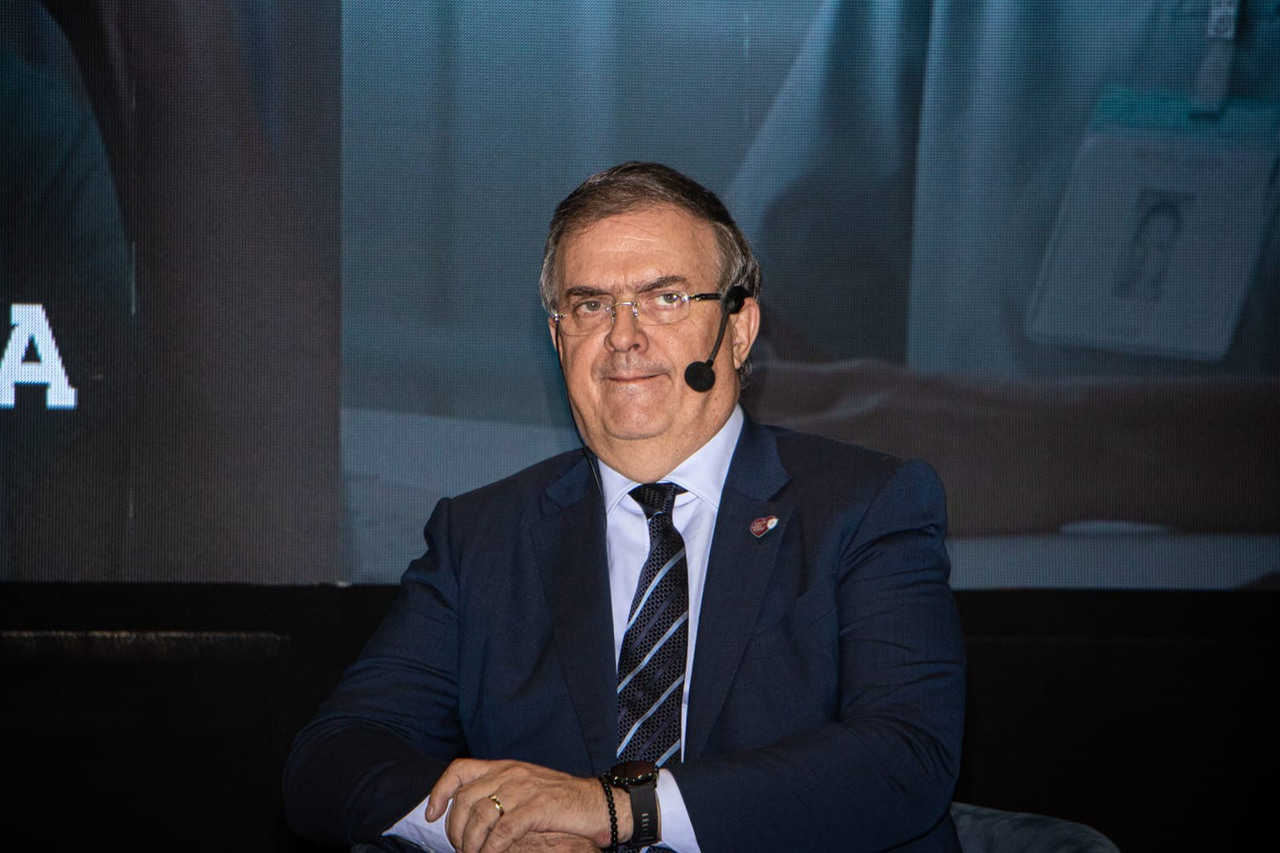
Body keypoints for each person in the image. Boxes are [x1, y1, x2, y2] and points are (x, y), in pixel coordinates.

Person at [284, 162, 966, 852]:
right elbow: (333, 757)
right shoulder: (481, 536)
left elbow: (905, 757)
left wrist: (621, 808)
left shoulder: (867, 506)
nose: (623, 335)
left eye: (665, 298)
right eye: (590, 306)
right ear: (559, 340)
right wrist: (497, 829)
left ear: (738, 329)